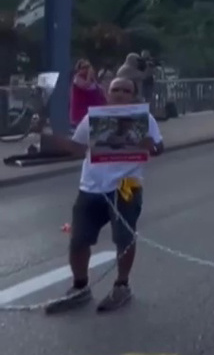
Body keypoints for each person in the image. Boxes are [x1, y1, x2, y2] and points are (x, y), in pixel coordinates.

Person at [43, 76, 164, 313]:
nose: (120, 93)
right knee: (78, 240)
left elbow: (159, 147)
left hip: (126, 188)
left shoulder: (144, 119)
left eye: (126, 90)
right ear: (107, 93)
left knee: (124, 239)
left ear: (134, 95)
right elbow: (78, 148)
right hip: (91, 187)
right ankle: (80, 287)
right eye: (115, 89)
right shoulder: (93, 119)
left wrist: (152, 146)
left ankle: (122, 285)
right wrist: (48, 137)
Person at [70, 59, 106, 129]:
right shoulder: (77, 78)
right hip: (82, 111)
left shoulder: (92, 80)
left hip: (94, 111)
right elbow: (86, 86)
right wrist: (89, 75)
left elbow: (99, 90)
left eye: (88, 67)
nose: (87, 69)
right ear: (79, 69)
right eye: (84, 67)